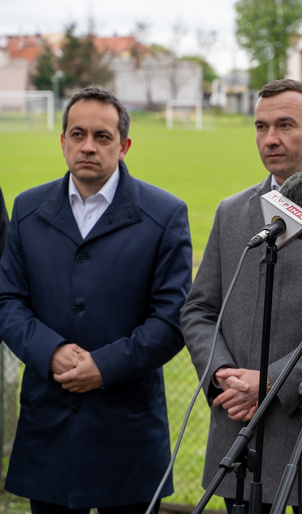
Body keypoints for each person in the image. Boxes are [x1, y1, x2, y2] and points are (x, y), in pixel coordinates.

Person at [0, 86, 192, 513]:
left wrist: (103, 366)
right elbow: (8, 301)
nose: (88, 146)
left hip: (127, 432)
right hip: (47, 426)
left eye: (102, 137)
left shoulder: (164, 215)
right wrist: (50, 352)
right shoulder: (28, 210)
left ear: (123, 146)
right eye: (78, 134)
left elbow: (172, 319)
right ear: (63, 140)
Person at [181, 79, 302, 513]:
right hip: (238, 432)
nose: (270, 138)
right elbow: (200, 309)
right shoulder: (231, 211)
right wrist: (224, 375)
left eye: (285, 125)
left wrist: (273, 381)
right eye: (261, 126)